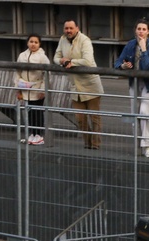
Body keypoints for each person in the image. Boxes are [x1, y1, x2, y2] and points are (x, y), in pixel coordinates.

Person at [54, 19, 104, 150]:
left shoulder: (85, 40)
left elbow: (88, 61)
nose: (68, 31)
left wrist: (71, 62)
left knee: (95, 118)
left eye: (71, 28)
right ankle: (87, 143)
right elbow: (55, 57)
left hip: (90, 84)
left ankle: (95, 144)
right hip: (75, 86)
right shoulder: (62, 39)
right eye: (66, 28)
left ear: (77, 28)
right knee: (80, 118)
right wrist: (61, 60)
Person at [115, 20, 149, 158]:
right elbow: (117, 61)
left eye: (144, 29)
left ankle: (148, 146)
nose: (141, 31)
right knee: (134, 113)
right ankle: (138, 144)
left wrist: (143, 49)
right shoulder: (130, 45)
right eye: (139, 29)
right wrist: (123, 66)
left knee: (144, 111)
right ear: (135, 30)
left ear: (148, 32)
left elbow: (148, 66)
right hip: (134, 83)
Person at [15, 33, 50, 145]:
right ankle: (31, 134)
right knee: (28, 112)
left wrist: (43, 90)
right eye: (31, 41)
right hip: (25, 89)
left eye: (36, 42)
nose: (33, 44)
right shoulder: (22, 56)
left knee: (37, 112)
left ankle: (39, 135)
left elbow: (47, 74)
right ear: (27, 43)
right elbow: (17, 72)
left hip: (37, 89)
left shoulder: (42, 57)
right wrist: (18, 89)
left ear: (39, 44)